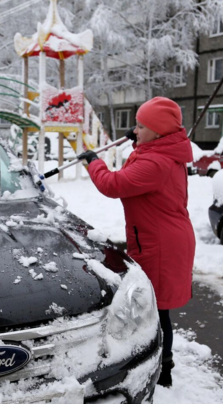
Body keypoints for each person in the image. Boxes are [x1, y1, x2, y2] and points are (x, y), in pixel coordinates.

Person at [76, 97, 195, 387]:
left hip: (162, 244)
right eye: (136, 125)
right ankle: (156, 362)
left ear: (158, 131)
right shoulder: (161, 152)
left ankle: (161, 369)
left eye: (142, 126)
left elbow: (114, 184)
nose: (135, 129)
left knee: (155, 308)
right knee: (153, 305)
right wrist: (138, 139)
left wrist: (94, 162)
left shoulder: (157, 163)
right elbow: (139, 161)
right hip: (161, 237)